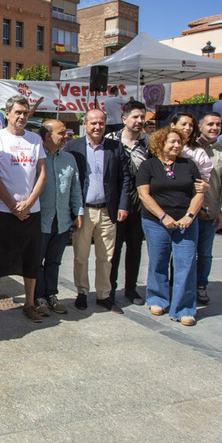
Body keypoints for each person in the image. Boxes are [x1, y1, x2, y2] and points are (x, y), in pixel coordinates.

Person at [0, 95, 47, 323]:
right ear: (6, 113)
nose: (21, 116)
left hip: (31, 211)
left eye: (25, 112)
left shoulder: (35, 140)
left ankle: (29, 304)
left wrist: (28, 203)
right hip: (3, 210)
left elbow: (42, 174)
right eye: (17, 112)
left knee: (31, 258)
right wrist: (11, 204)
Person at [136, 127, 206, 326]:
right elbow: (144, 194)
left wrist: (190, 216)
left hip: (186, 223)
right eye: (172, 142)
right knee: (158, 261)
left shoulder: (189, 165)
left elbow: (199, 192)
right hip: (156, 221)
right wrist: (163, 216)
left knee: (186, 264)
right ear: (160, 144)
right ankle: (157, 298)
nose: (177, 145)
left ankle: (184, 309)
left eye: (179, 142)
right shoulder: (148, 166)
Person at [65, 108, 130, 314]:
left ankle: (104, 295)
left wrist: (122, 205)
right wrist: (73, 211)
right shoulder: (72, 147)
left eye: (101, 122)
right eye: (93, 123)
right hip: (83, 211)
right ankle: (82, 292)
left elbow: (125, 178)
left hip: (108, 211)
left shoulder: (115, 147)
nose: (97, 126)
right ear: (85, 125)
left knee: (106, 257)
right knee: (80, 255)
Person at [34, 120, 83, 317]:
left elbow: (75, 188)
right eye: (61, 133)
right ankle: (38, 298)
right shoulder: (36, 157)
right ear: (48, 135)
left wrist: (78, 212)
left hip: (62, 221)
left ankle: (52, 295)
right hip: (40, 220)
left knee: (54, 261)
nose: (66, 136)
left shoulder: (69, 159)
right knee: (37, 262)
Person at [105, 99, 149, 306]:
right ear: (124, 119)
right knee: (113, 250)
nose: (139, 121)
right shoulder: (111, 140)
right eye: (135, 117)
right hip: (116, 205)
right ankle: (110, 290)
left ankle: (131, 289)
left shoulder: (149, 143)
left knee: (135, 248)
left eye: (142, 117)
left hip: (140, 206)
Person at [196, 112, 222, 305]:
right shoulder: (186, 148)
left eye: (218, 125)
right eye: (210, 124)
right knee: (180, 254)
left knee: (204, 253)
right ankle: (177, 286)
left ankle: (201, 286)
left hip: (208, 215)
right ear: (200, 126)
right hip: (184, 213)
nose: (214, 128)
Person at [170, 111, 213, 182]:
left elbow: (203, 178)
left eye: (191, 125)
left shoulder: (198, 152)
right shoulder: (161, 148)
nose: (187, 128)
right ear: (173, 125)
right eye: (184, 124)